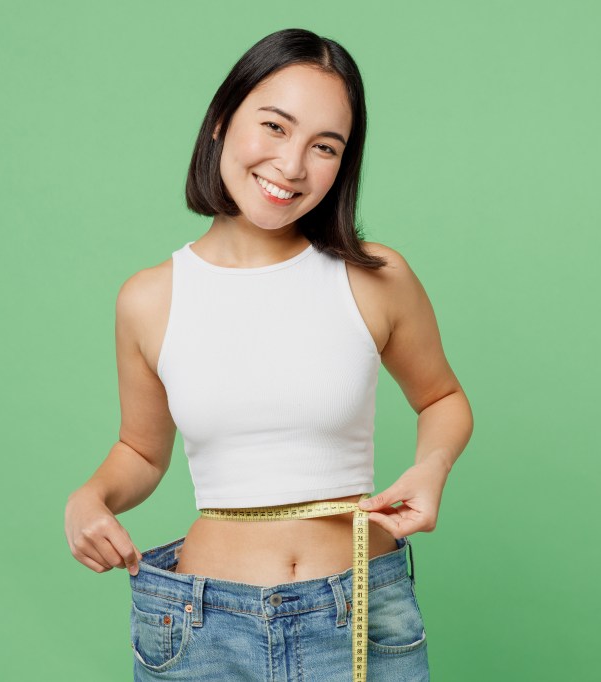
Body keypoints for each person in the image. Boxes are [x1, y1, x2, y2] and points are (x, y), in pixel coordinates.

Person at [64, 28, 473, 681]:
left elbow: (442, 399)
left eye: (325, 147)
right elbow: (141, 452)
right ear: (224, 120)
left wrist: (432, 468)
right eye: (276, 127)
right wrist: (88, 499)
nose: (291, 165)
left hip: (358, 611)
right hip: (201, 631)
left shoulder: (375, 278)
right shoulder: (149, 299)